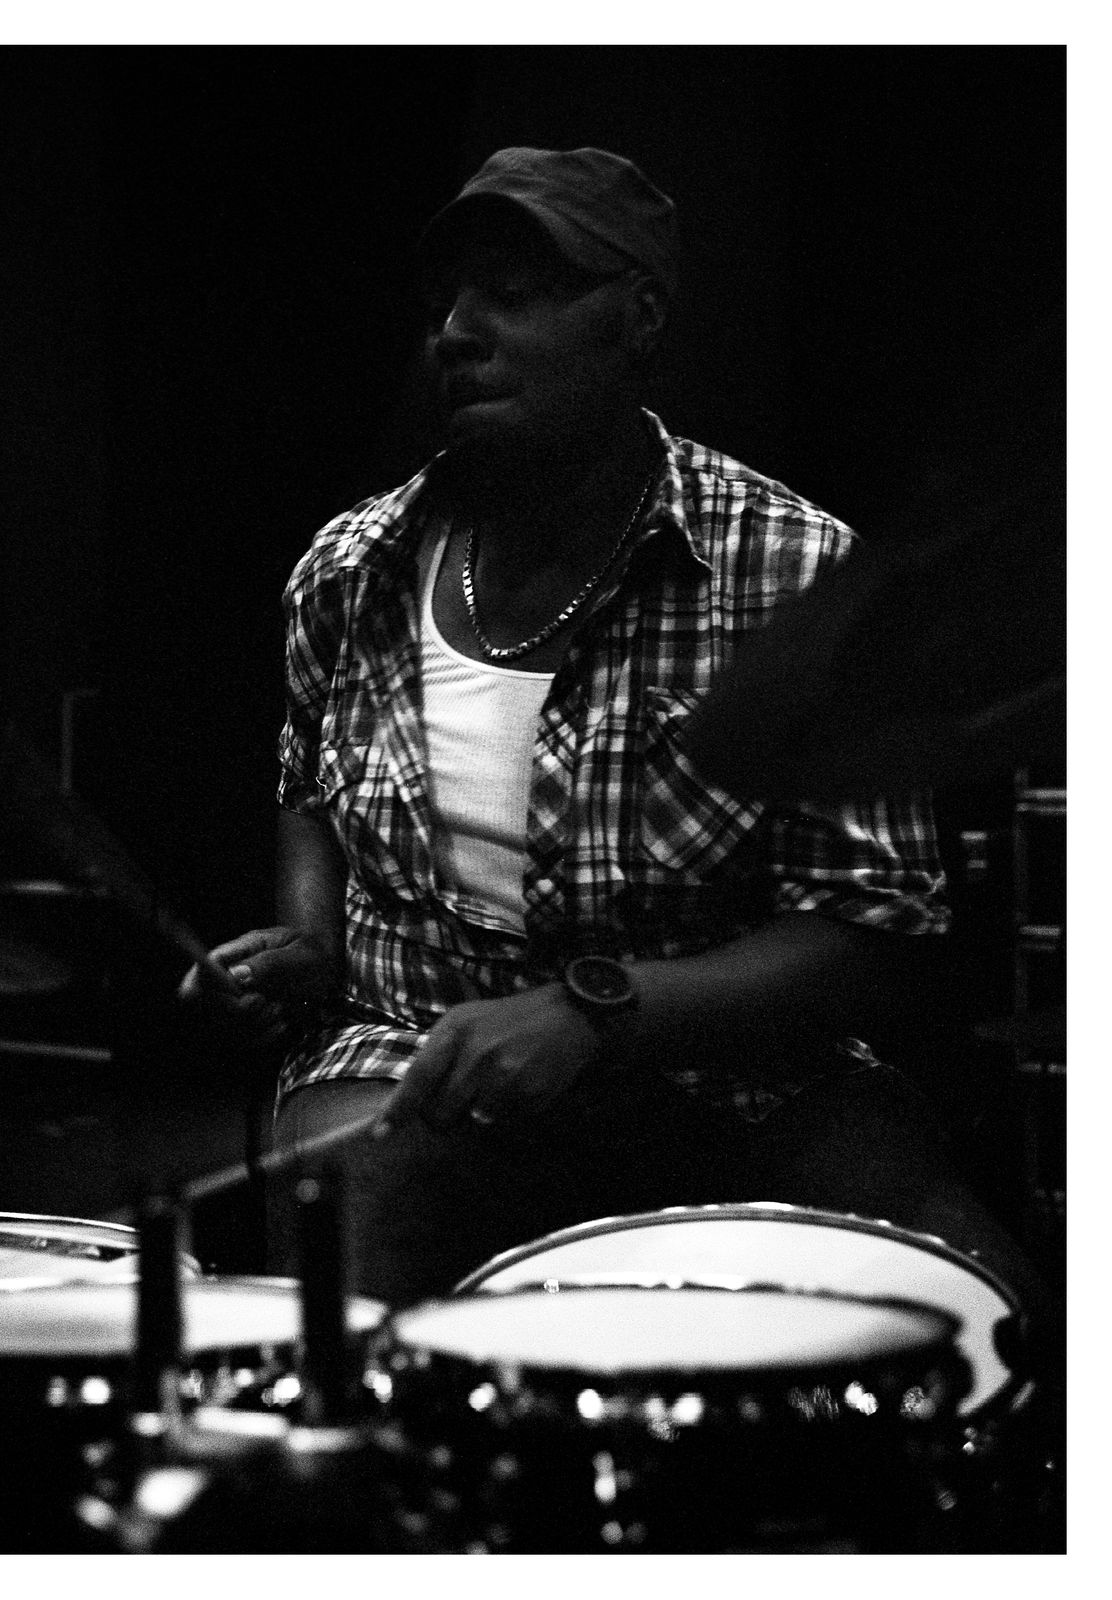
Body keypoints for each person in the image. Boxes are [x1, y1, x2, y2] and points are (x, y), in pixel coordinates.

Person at [181, 146, 1047, 1322]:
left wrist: (596, 1010)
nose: (457, 331)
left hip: (730, 1067)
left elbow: (869, 937)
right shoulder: (348, 569)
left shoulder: (789, 565)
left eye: (513, 293)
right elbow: (307, 794)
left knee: (986, 1315)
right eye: (445, 301)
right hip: (415, 1046)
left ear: (637, 316)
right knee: (349, 1269)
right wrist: (306, 942)